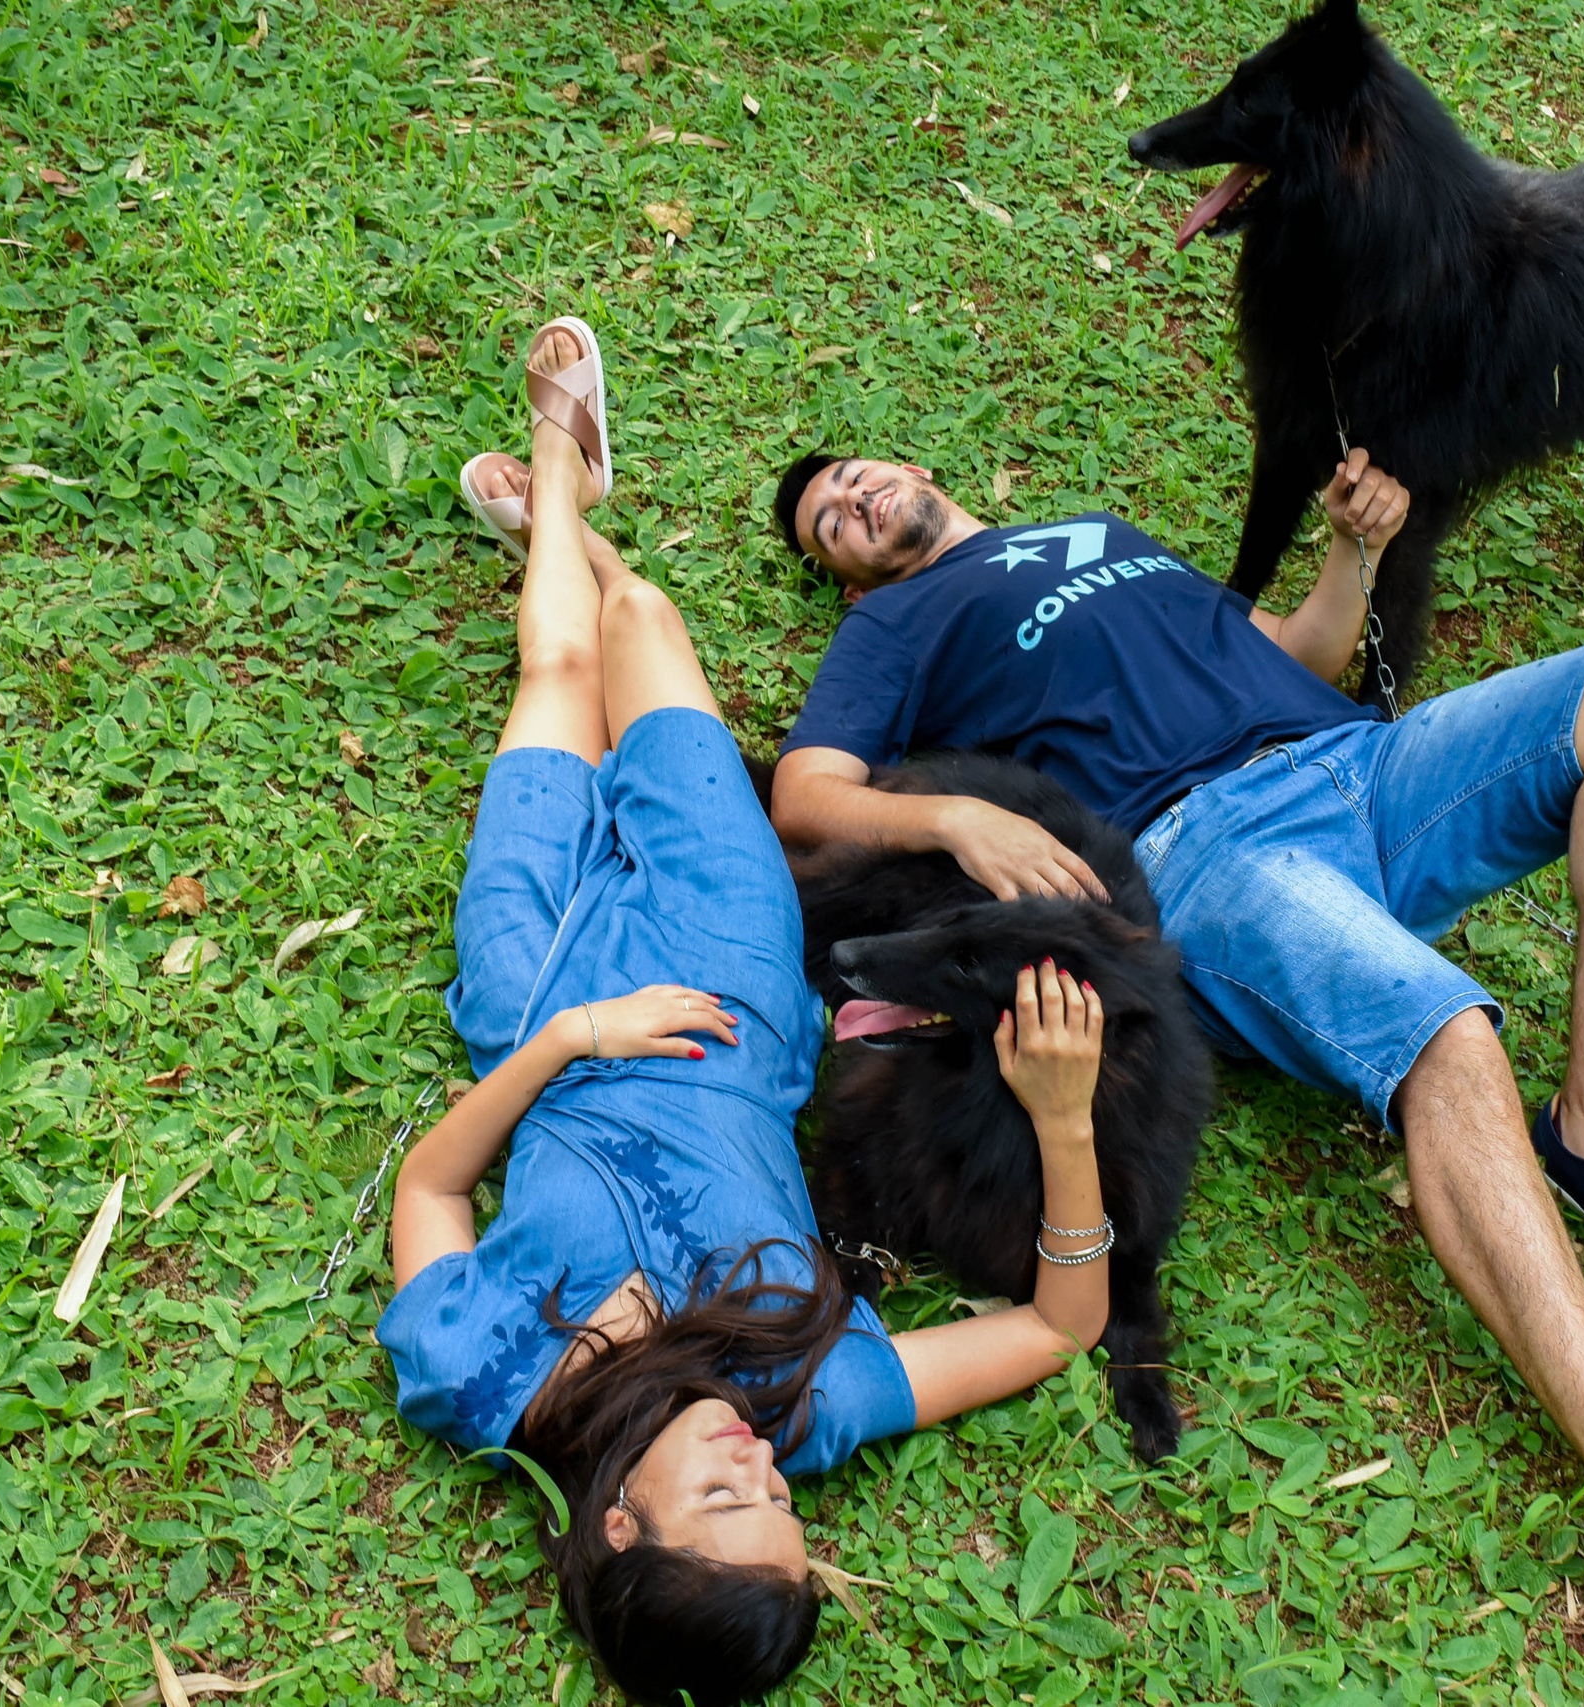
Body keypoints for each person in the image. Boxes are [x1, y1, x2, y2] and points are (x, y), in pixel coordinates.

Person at [766, 451, 1584, 1653]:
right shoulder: (896, 622)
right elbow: (805, 793)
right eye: (833, 522)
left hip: (1363, 765)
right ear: (843, 575)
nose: (859, 502)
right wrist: (956, 817)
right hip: (1204, 846)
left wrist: (1353, 551)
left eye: (859, 479)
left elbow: (1299, 656)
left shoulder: (1100, 528)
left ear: (919, 469)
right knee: (1447, 1038)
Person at [379, 321, 1128, 1707]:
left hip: (533, 990)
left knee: (556, 681)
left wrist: (562, 1040)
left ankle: (555, 459)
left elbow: (431, 1184)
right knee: (646, 621)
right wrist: (1066, 1119)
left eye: (729, 1505)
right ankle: (573, 524)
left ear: (619, 1522)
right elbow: (1059, 1328)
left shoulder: (486, 1384)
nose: (761, 1469)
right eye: (784, 1506)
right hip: (732, 989)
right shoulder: (810, 1396)